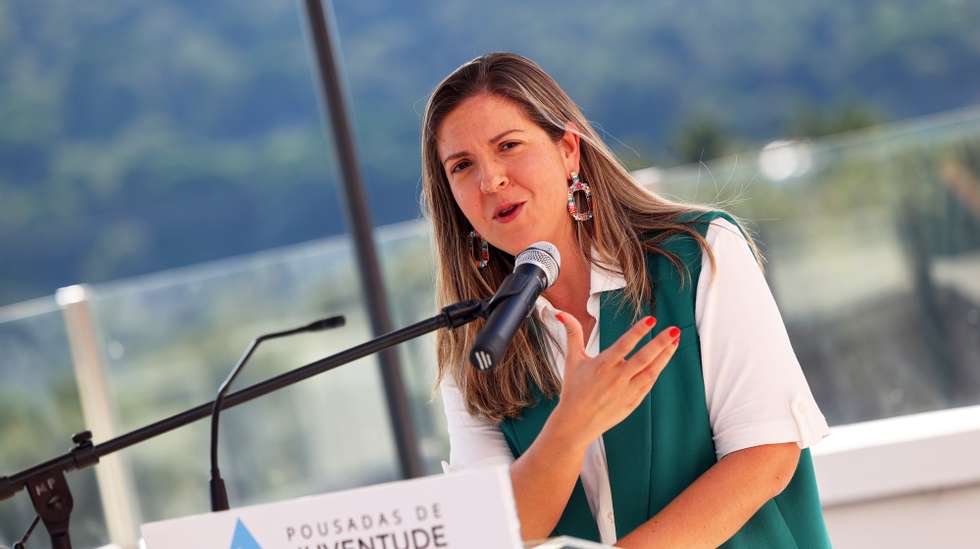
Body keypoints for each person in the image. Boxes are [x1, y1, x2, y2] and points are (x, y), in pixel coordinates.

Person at [420, 52, 832, 548]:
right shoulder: (475, 344)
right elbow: (496, 534)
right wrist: (570, 426)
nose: (491, 180)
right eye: (462, 166)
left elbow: (767, 455)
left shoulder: (702, 253)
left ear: (568, 150)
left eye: (509, 145)